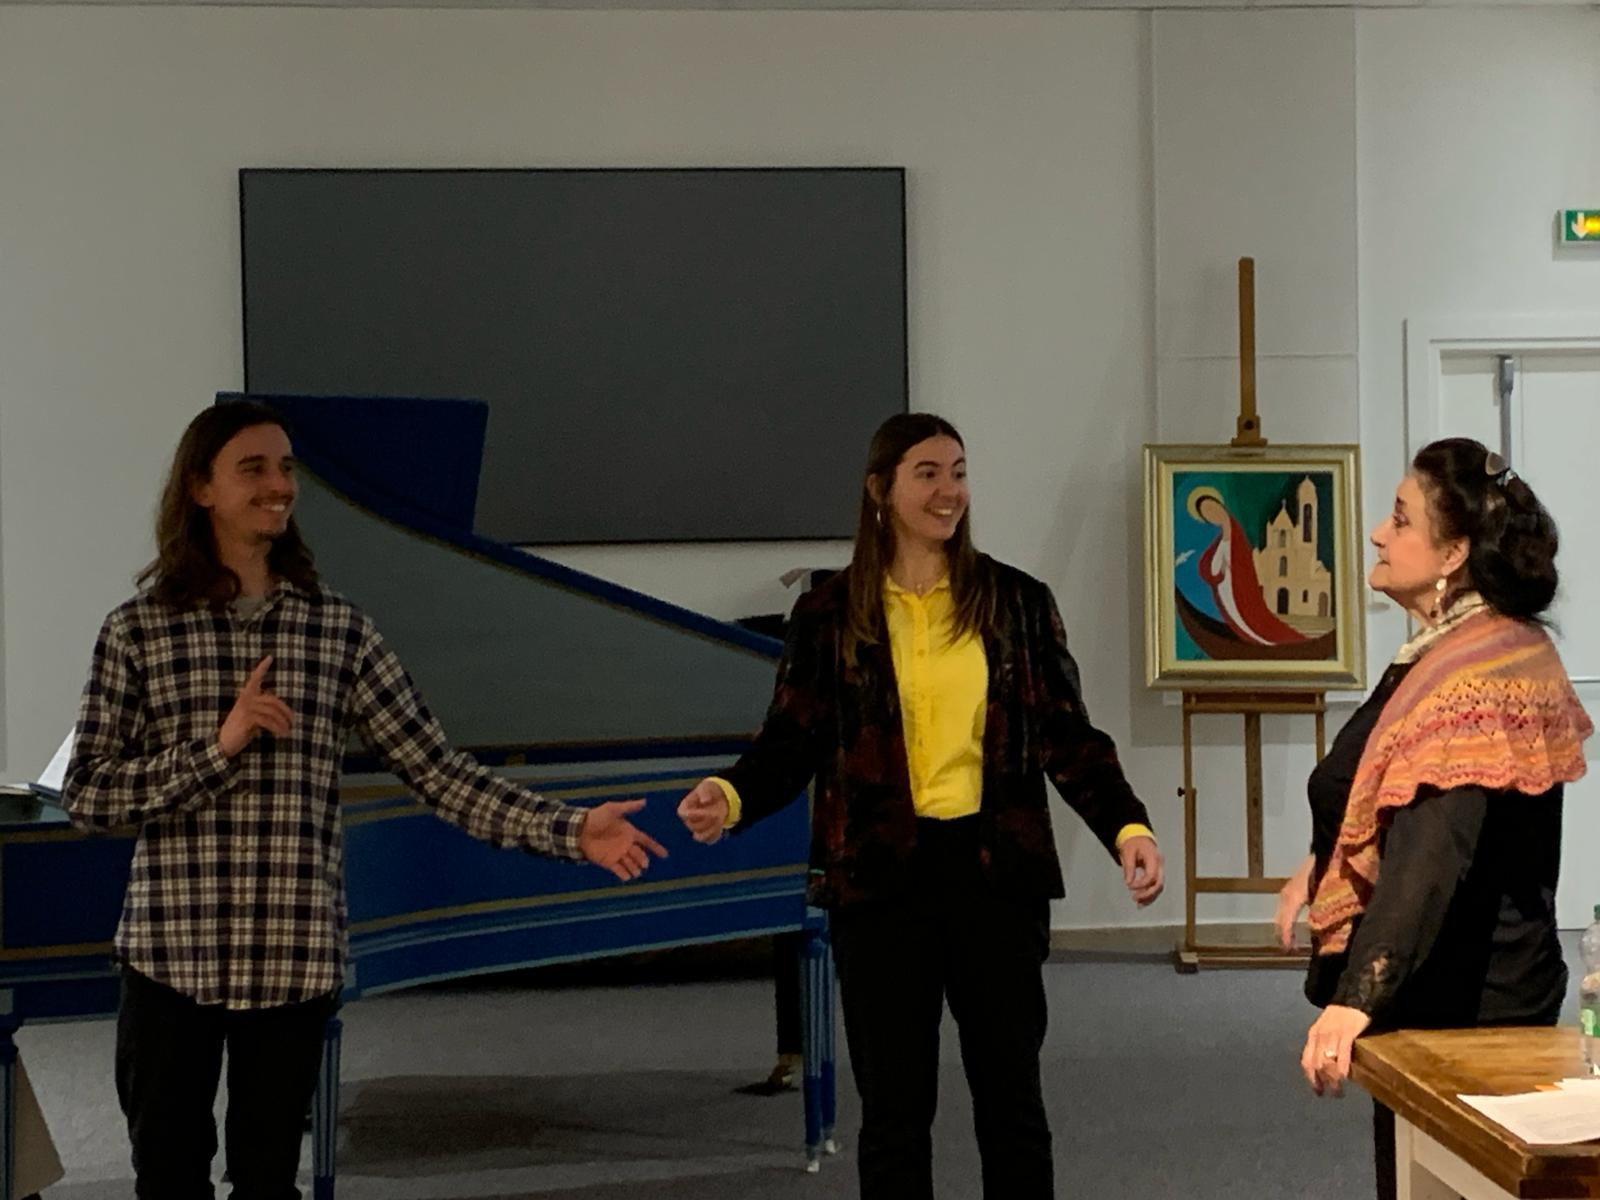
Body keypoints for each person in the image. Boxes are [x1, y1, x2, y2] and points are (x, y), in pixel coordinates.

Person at [63, 400, 667, 1200]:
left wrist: (569, 828)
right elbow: (88, 794)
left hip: (291, 954)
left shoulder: (337, 631)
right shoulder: (137, 631)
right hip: (171, 955)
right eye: (254, 468)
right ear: (201, 488)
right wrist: (217, 748)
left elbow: (437, 770)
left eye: (286, 469)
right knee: (168, 1178)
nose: (279, 485)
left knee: (269, 1183)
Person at [676, 413, 1164, 1200]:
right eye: (928, 474)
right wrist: (730, 796)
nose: (950, 491)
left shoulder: (1015, 601)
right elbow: (791, 740)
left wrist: (1126, 826)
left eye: (959, 472)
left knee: (1012, 1102)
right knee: (895, 1115)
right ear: (881, 490)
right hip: (879, 885)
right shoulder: (829, 614)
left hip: (995, 879)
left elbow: (1068, 735)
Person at [1274, 437, 1592, 1199]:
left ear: (1452, 555)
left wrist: (1356, 999)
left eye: (1400, 519)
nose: (1378, 534)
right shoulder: (1457, 649)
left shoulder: (1471, 677)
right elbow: (1385, 786)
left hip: (1464, 1006)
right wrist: (1324, 862)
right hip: (1458, 987)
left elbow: (1433, 853)